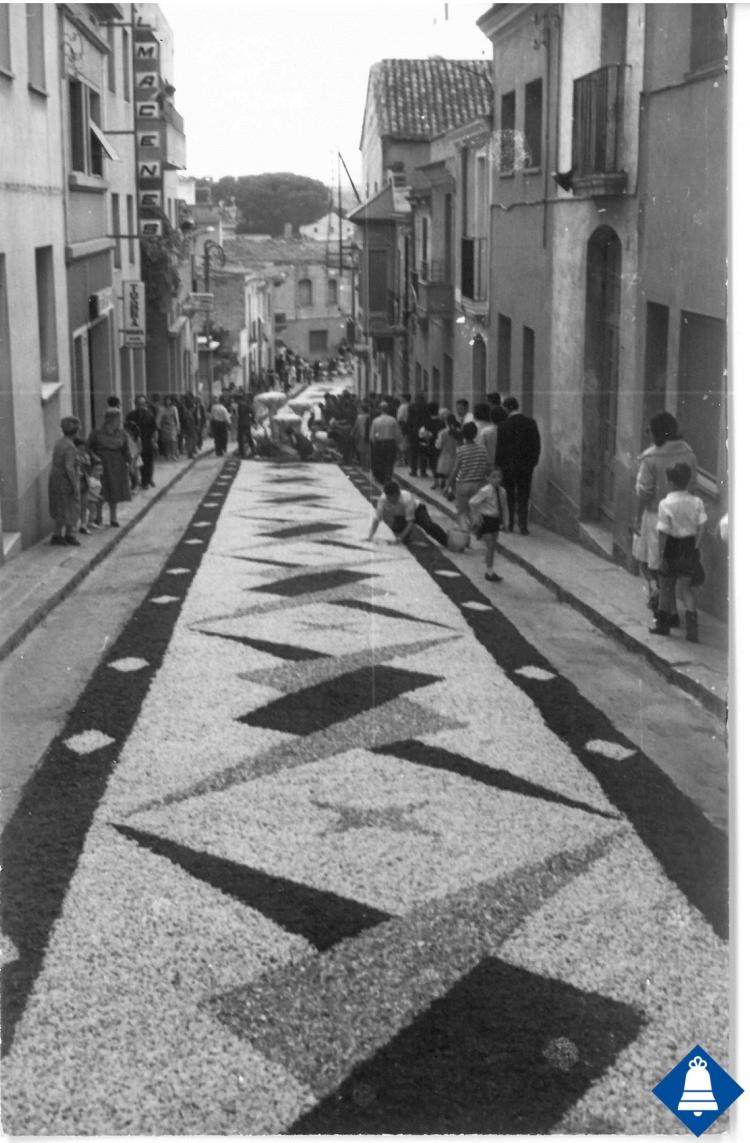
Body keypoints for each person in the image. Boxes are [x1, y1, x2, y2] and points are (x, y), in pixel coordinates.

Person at [634, 410, 697, 625]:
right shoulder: (688, 453)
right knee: (670, 566)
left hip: (656, 515)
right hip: (684, 516)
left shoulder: (650, 456)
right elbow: (694, 485)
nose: (648, 434)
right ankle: (666, 607)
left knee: (650, 563)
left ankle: (663, 607)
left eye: (650, 430)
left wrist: (636, 518)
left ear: (658, 432)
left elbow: (644, 492)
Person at [650, 461, 707, 642]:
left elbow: (662, 532)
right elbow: (704, 524)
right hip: (689, 547)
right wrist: (697, 544)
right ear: (688, 481)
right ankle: (692, 632)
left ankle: (663, 626)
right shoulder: (696, 502)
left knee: (666, 587)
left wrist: (660, 554)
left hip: (672, 548)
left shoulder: (666, 503)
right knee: (686, 589)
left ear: (670, 482)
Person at [495, 395, 541, 535]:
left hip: (508, 466)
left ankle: (509, 524)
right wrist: (533, 462)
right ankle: (523, 525)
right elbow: (536, 445)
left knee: (509, 494)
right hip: (526, 466)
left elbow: (500, 448)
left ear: (508, 408)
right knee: (524, 494)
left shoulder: (503, 425)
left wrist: (499, 465)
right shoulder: (531, 423)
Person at [366, 479, 448, 547]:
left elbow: (410, 522)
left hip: (417, 510)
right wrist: (370, 536)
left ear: (398, 494)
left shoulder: (407, 498)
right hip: (401, 515)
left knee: (429, 526)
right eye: (389, 499)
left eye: (393, 499)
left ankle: (447, 541)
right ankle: (407, 537)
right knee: (396, 529)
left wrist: (400, 538)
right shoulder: (383, 500)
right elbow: (377, 519)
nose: (391, 501)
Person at [88, 407, 132, 527]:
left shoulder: (122, 433)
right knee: (99, 489)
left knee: (114, 490)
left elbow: (126, 449)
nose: (119, 421)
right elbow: (88, 448)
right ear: (110, 419)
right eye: (118, 419)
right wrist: (94, 459)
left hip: (117, 465)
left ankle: (113, 518)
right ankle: (98, 517)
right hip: (101, 465)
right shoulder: (97, 433)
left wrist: (130, 463)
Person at [446, 421, 490, 532]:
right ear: (475, 434)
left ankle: (464, 535)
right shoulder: (483, 449)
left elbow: (456, 469)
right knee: (475, 509)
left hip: (463, 484)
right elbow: (487, 467)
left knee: (462, 512)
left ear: (463, 434)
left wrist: (448, 485)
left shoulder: (461, 450)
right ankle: (477, 525)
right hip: (479, 484)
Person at [469, 467, 509, 583]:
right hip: (486, 519)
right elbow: (472, 502)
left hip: (495, 520)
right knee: (490, 545)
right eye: (494, 477)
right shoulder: (485, 490)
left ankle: (489, 568)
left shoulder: (502, 491)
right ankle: (489, 571)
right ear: (487, 478)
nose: (497, 479)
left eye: (499, 477)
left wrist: (506, 522)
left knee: (492, 546)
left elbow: (505, 507)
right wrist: (477, 516)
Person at [48, 417, 82, 546]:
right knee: (69, 507)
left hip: (56, 478)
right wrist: (74, 484)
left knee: (62, 507)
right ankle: (61, 535)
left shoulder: (60, 442)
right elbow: (69, 467)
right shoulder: (70, 446)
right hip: (64, 480)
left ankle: (66, 534)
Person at [126, 395, 158, 489]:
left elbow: (154, 429)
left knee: (147, 463)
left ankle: (146, 482)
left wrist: (154, 441)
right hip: (134, 443)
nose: (141, 406)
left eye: (143, 404)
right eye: (139, 404)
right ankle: (135, 483)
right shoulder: (131, 415)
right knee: (134, 463)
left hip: (147, 441)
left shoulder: (149, 415)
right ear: (135, 404)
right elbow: (127, 429)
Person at [369, 401, 399, 484]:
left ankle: (380, 477)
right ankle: (388, 477)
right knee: (389, 461)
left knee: (380, 460)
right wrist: (397, 444)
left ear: (380, 410)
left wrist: (374, 442)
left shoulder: (376, 420)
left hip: (379, 442)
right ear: (388, 409)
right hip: (390, 442)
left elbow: (372, 434)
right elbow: (397, 434)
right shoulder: (393, 420)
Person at [435, 411, 461, 493]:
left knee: (445, 473)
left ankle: (446, 487)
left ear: (446, 421)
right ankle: (452, 490)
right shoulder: (459, 432)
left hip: (445, 455)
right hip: (457, 455)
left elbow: (438, 445)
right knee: (454, 473)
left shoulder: (442, 433)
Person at [157, 395, 180, 461]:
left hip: (173, 427)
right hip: (164, 427)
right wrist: (158, 427)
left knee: (173, 441)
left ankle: (173, 454)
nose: (168, 402)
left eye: (169, 400)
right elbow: (158, 419)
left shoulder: (174, 408)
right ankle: (168, 454)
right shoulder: (162, 409)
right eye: (166, 400)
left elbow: (176, 418)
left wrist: (178, 426)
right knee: (166, 441)